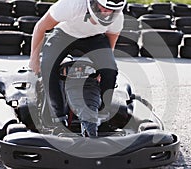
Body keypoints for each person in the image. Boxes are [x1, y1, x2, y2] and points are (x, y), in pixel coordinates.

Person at [29, 0, 126, 137]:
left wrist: (103, 64)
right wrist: (34, 59)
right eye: (103, 8)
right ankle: (58, 118)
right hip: (64, 34)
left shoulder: (117, 18)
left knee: (110, 70)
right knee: (48, 67)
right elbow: (41, 27)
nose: (106, 13)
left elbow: (112, 36)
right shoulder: (71, 5)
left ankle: (102, 116)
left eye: (110, 10)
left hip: (94, 38)